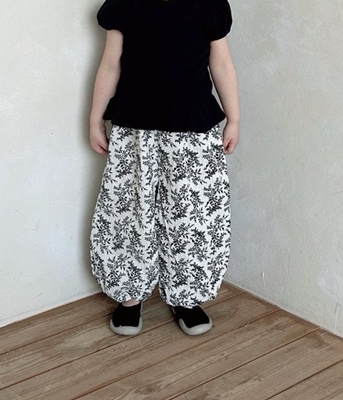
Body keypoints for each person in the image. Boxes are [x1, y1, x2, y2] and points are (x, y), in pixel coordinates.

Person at [89, 0, 240, 336]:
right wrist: (95, 119)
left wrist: (234, 118)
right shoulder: (126, 4)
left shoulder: (208, 5)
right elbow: (110, 65)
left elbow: (221, 63)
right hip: (135, 128)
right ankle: (129, 296)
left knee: (191, 214)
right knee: (130, 210)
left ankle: (186, 296)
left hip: (193, 129)